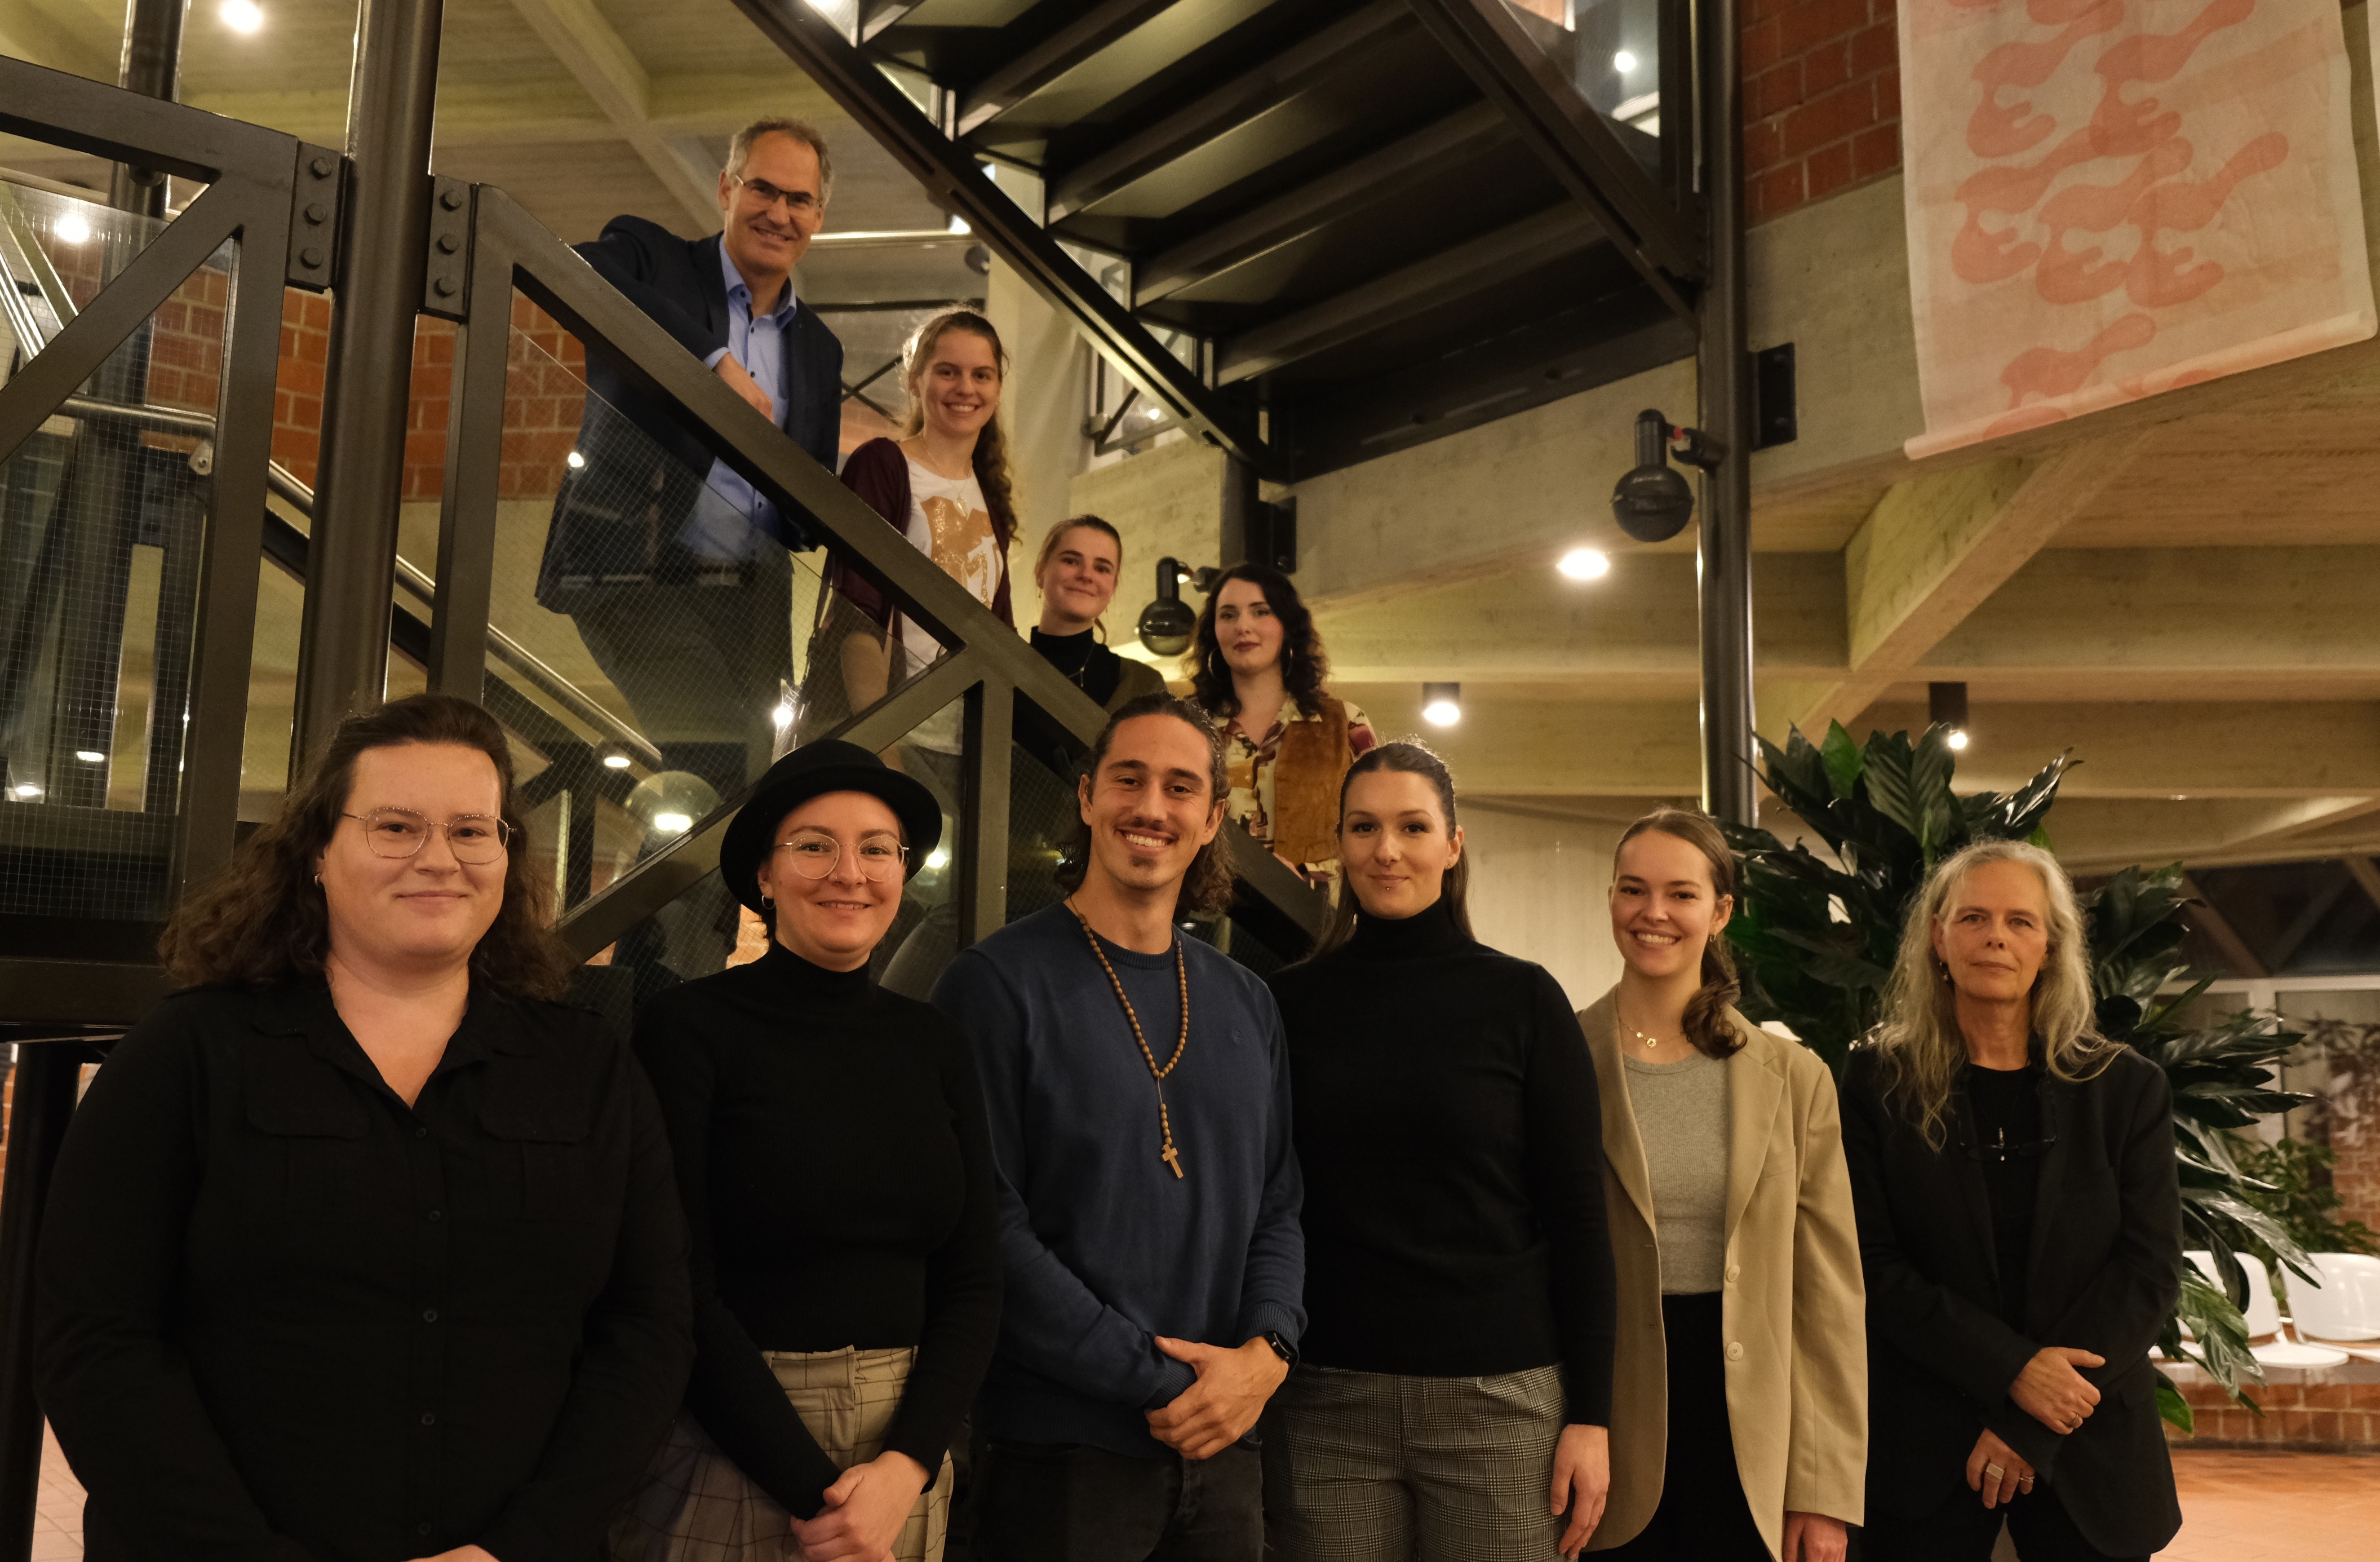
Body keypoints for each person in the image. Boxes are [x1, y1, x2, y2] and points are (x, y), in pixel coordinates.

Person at [36, 693, 693, 1562]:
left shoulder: (587, 1065)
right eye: (395, 826)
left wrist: (520, 1546)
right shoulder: (188, 1051)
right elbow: (95, 1335)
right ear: (316, 850)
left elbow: (647, 1329)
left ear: (505, 854)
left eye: (471, 829)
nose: (439, 858)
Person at [931, 694, 1305, 1562]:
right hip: (1059, 1450)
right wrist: (1168, 1380)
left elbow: (1278, 1202)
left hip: (1226, 1451)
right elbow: (988, 1225)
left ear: (1212, 819)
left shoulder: (1246, 999)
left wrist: (1265, 1350)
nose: (1151, 807)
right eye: (1128, 779)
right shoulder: (992, 984)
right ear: (1088, 794)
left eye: (1180, 788)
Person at [617, 740, 1001, 1562]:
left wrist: (906, 1464)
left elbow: (973, 1274)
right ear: (763, 873)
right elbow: (674, 1279)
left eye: (876, 848)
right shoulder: (688, 1030)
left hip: (905, 1444)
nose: (849, 872)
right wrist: (820, 1496)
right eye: (814, 844)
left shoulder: (934, 1042)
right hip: (732, 1440)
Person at [1264, 742, 1617, 1561]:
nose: (1385, 849)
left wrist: (1591, 1415)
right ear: (1340, 842)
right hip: (1325, 1399)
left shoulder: (1522, 998)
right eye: (1364, 826)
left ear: (1452, 843)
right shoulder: (1283, 1003)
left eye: (1411, 826)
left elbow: (1577, 1218)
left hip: (1499, 1399)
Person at [1842, 840, 2182, 1561]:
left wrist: (2030, 1421)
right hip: (1925, 1452)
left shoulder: (2126, 1088)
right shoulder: (1875, 1083)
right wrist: (2012, 1371)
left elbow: (2146, 1270)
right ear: (1937, 937)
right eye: (1972, 916)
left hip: (2090, 1455)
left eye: (2019, 921)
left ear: (2050, 943)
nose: (1995, 935)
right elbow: (1868, 1263)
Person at [1579, 809, 1864, 1561]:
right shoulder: (1558, 1055)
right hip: (1601, 1415)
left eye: (1680, 893)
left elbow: (1827, 1294)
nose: (1653, 913)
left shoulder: (1793, 1078)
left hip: (1749, 1431)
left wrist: (1820, 1488)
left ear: (1720, 911)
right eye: (1632, 889)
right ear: (1609, 896)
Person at [540, 117, 845, 803]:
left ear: (818, 217)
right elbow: (584, 272)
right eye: (762, 189)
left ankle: (663, 914)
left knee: (747, 793)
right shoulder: (652, 257)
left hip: (751, 599)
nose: (778, 212)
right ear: (724, 189)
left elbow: (807, 496)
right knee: (714, 767)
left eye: (798, 200)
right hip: (637, 569)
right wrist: (711, 364)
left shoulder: (820, 349)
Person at [825, 308, 1018, 996]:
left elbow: (999, 635)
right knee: (913, 895)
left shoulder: (989, 493)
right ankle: (881, 1022)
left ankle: (893, 1027)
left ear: (997, 387)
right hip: (902, 729)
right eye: (947, 370)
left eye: (980, 374)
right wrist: (882, 744)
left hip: (967, 740)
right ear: (914, 378)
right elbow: (856, 611)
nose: (963, 387)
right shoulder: (883, 464)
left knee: (970, 897)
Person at [1184, 564, 1374, 884]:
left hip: (1317, 917)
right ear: (1213, 632)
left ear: (1287, 625)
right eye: (1228, 615)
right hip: (1207, 917)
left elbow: (1375, 828)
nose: (1243, 626)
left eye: (1261, 612)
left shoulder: (1345, 723)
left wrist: (1303, 880)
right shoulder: (1186, 725)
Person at [1029, 515, 1167, 714]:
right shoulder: (998, 662)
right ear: (1040, 572)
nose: (1086, 575)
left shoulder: (1143, 686)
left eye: (1102, 569)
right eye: (1071, 561)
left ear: (1113, 589)